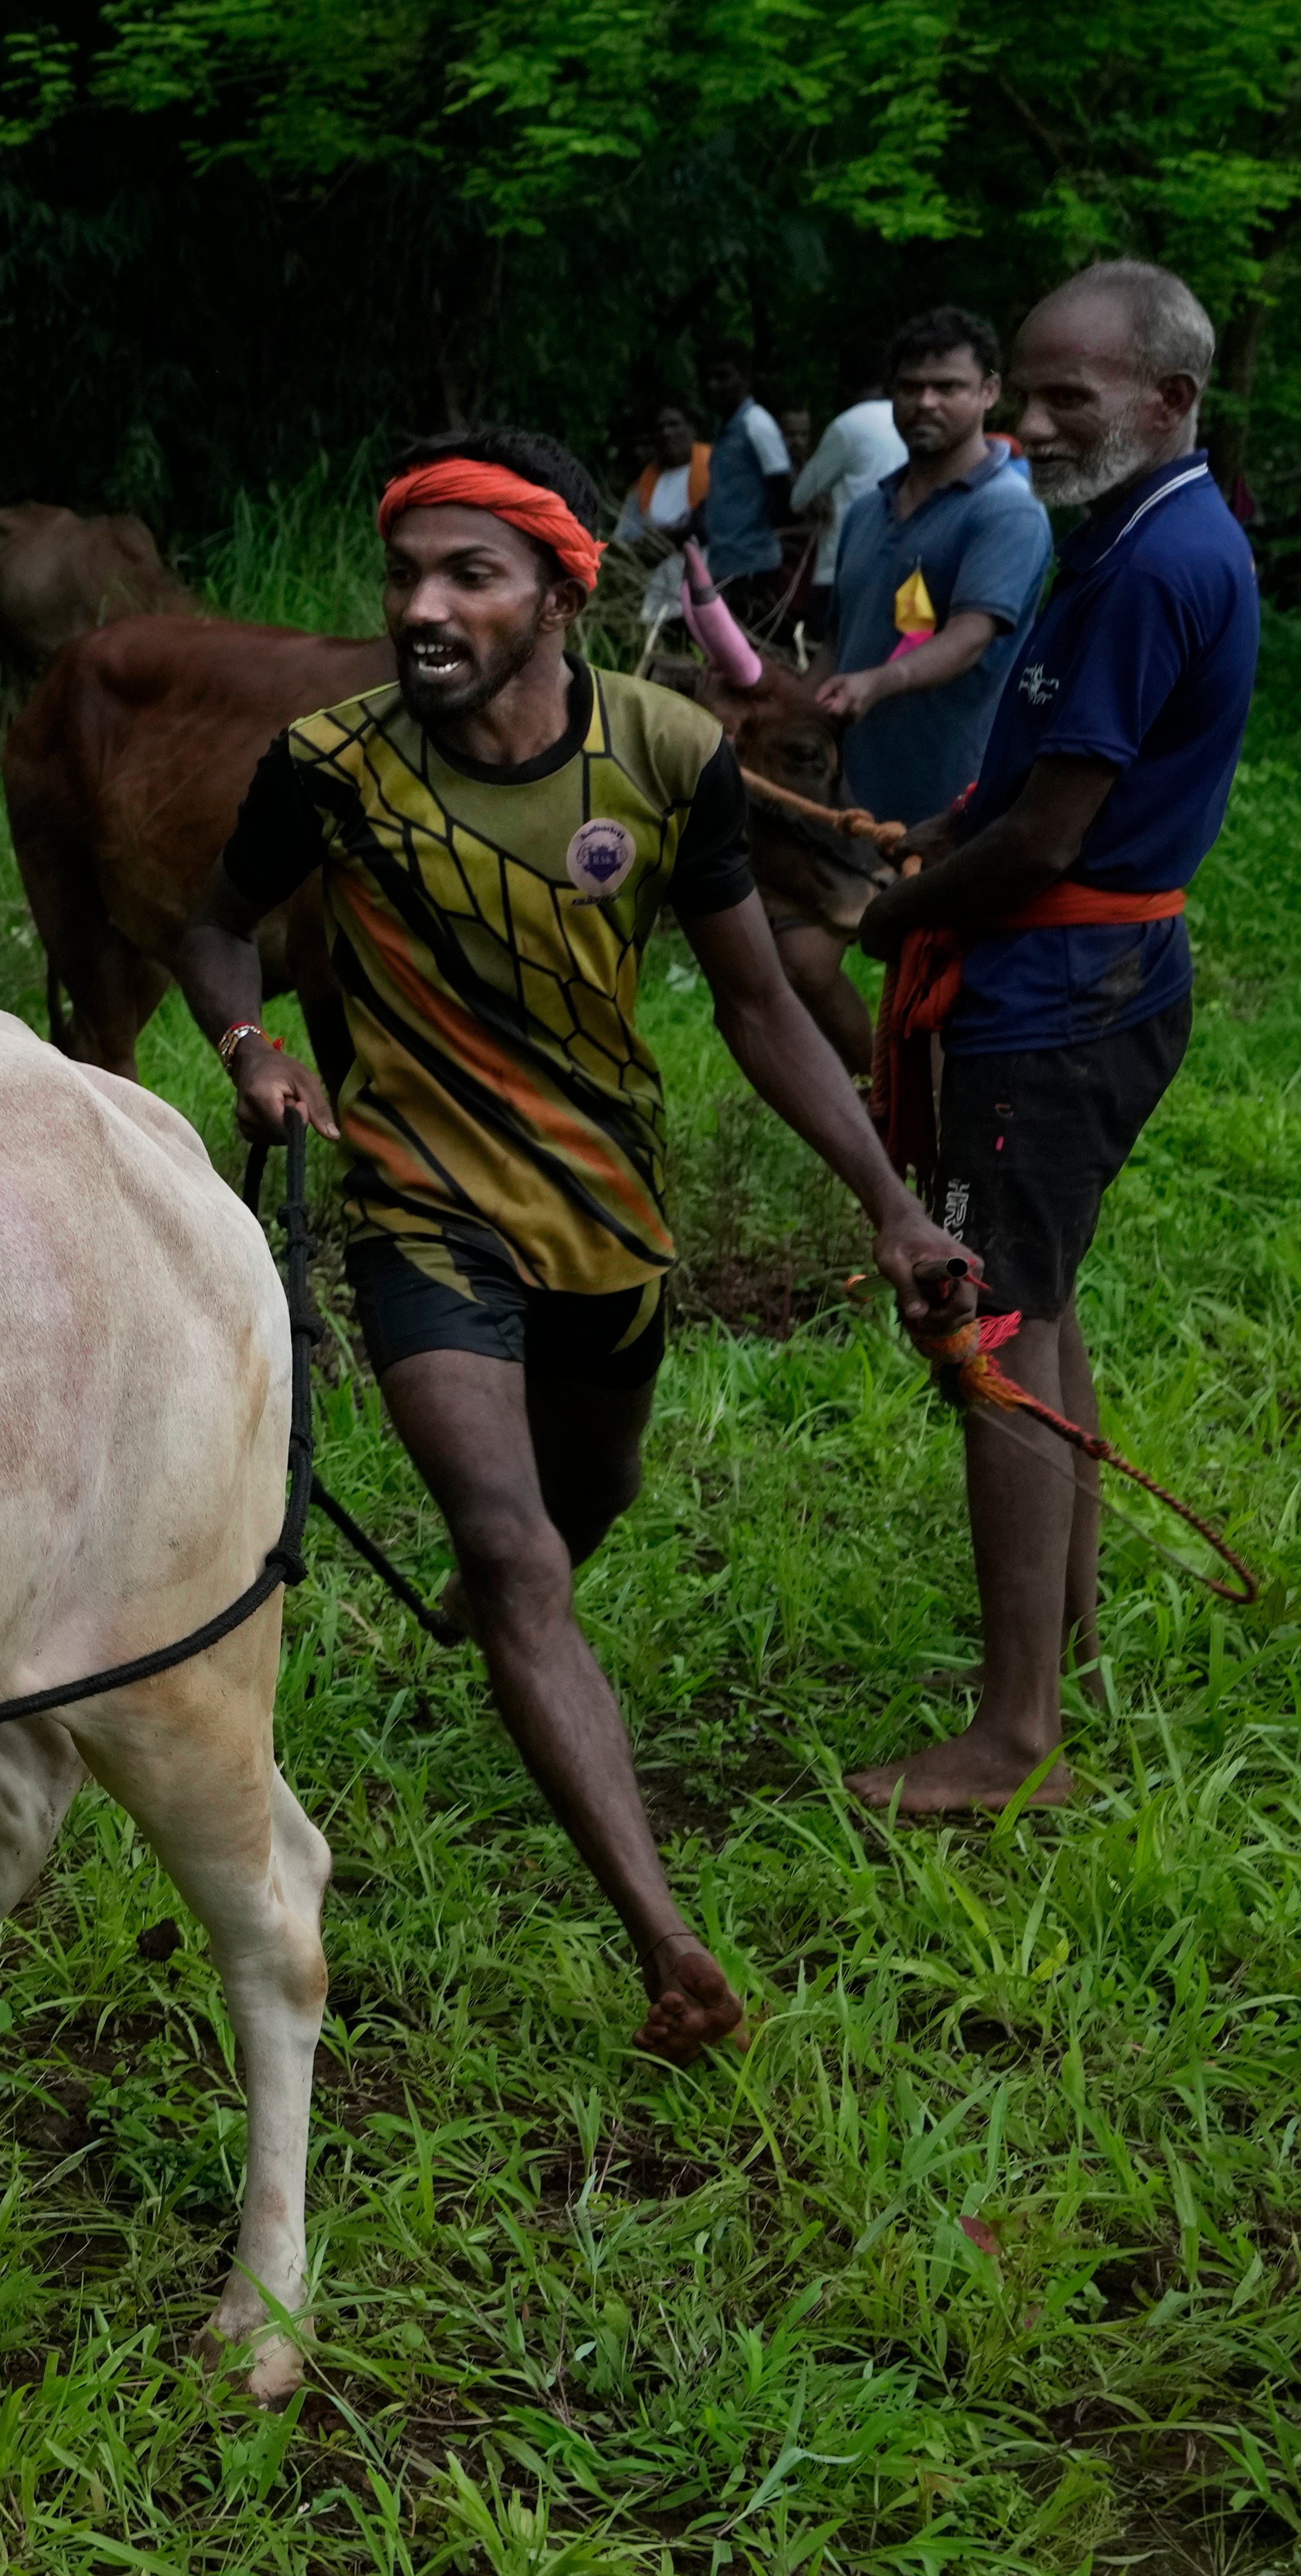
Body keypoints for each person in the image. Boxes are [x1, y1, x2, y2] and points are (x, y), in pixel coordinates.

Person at [173, 431, 968, 2061]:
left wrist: (888, 1205)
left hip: (606, 1210)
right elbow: (211, 925)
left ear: (556, 590)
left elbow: (756, 1000)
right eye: (404, 573)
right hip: (417, 1207)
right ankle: (666, 1944)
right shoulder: (327, 764)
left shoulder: (667, 755)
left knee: (581, 1501)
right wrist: (251, 1050)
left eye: (467, 572)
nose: (421, 605)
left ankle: (516, 1604)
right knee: (519, 1555)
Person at [846, 264, 1259, 1819]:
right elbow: (1017, 787)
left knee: (991, 1332)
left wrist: (891, 917)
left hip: (1048, 1000)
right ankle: (1058, 1651)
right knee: (1042, 1306)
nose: (1025, 425)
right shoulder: (1122, 533)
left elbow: (1047, 835)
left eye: (1061, 399)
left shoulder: (1158, 563)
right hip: (1079, 981)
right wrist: (933, 835)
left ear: (1166, 400)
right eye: (1020, 393)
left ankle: (1009, 1735)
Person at [816, 307, 1050, 837]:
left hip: (948, 808)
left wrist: (877, 683)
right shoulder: (865, 512)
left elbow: (970, 637)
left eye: (948, 387)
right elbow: (836, 643)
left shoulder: (1005, 511)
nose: (925, 402)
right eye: (910, 387)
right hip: (848, 801)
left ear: (989, 392)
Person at [789, 352, 903, 620]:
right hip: (899, 562)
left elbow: (799, 497)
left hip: (843, 565)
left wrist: (824, 493)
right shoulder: (906, 420)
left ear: (844, 383)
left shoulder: (848, 426)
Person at [696, 342, 796, 602]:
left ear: (745, 378)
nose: (712, 385)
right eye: (707, 378)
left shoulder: (756, 423)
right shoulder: (724, 427)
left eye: (722, 376)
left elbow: (783, 488)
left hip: (754, 564)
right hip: (725, 562)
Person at [612, 403, 709, 622]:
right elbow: (624, 540)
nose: (666, 433)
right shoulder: (645, 485)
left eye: (674, 425)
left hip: (710, 578)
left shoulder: (715, 465)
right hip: (661, 583)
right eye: (659, 428)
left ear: (691, 429)